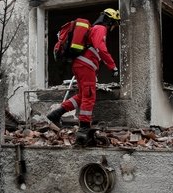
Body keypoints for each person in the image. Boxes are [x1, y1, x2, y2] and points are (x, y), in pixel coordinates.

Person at [46, 8, 120, 146]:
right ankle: (84, 129)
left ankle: (56, 114)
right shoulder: (100, 28)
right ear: (110, 20)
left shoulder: (94, 28)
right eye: (114, 24)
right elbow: (101, 47)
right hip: (86, 65)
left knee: (82, 95)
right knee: (90, 95)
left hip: (81, 65)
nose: (113, 27)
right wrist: (112, 66)